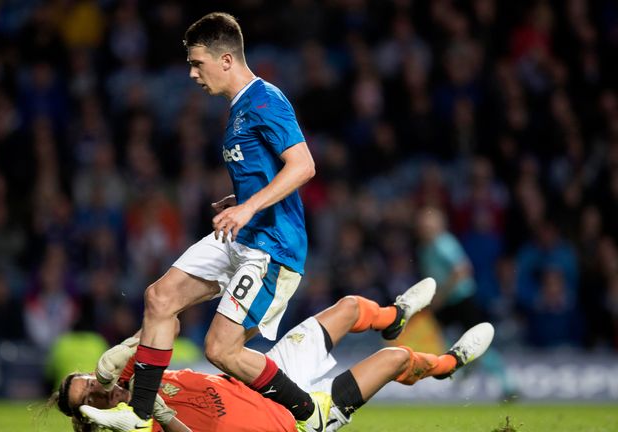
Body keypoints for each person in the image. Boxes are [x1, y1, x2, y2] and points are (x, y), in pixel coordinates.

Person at [90, 12, 341, 431]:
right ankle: (137, 415)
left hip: (272, 247)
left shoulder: (266, 100)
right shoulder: (239, 108)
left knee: (221, 350)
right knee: (159, 298)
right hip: (240, 234)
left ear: (226, 60)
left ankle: (308, 412)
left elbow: (303, 165)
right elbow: (269, 172)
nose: (191, 73)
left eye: (197, 63)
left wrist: (248, 207)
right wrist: (242, 200)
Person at [51, 278, 496, 432]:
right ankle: (447, 365)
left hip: (271, 379)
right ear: (89, 416)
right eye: (86, 397)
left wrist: (125, 347)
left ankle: (393, 314)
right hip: (295, 421)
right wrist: (164, 416)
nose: (93, 388)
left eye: (86, 381)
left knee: (349, 307)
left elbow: (167, 325)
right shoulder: (134, 424)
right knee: (398, 359)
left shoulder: (136, 377)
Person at [415, 206, 516, 399]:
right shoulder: (424, 249)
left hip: (462, 299)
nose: (425, 229)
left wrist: (441, 295)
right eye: (422, 226)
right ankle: (464, 366)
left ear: (439, 225)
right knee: (437, 336)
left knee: (479, 344)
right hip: (447, 302)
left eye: (429, 225)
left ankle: (508, 385)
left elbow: (462, 270)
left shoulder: (443, 243)